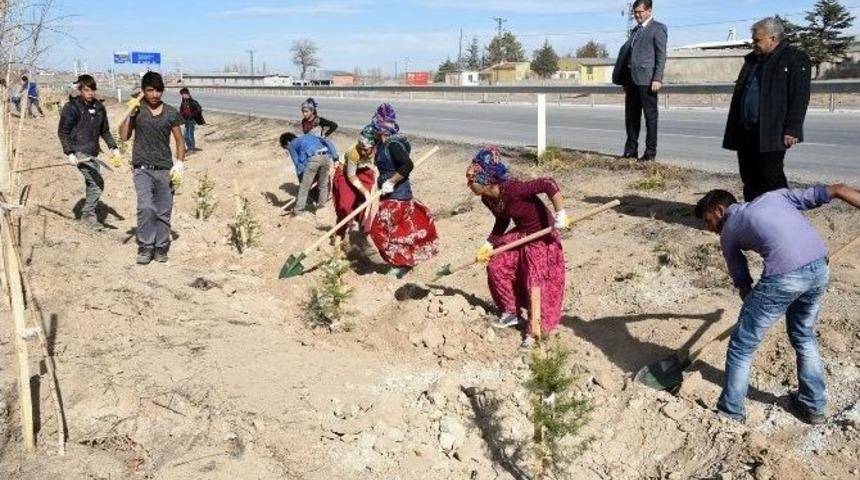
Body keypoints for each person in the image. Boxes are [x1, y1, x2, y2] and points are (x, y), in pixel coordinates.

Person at [694, 184, 860, 424]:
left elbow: (741, 279)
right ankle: (813, 406)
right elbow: (838, 189)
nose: (708, 228)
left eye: (707, 221)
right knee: (803, 335)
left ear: (719, 210)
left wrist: (753, 306)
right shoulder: (776, 196)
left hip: (784, 277)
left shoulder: (728, 230)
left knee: (742, 345)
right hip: (819, 268)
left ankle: (730, 413)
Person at [466, 146, 568, 349]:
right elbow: (502, 220)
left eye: (471, 180)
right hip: (522, 234)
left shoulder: (513, 189)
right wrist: (489, 243)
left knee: (534, 283)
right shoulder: (487, 198)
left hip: (541, 236)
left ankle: (535, 331)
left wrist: (561, 213)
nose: (468, 184)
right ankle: (510, 312)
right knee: (496, 266)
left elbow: (548, 183)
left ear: (486, 179)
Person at [723, 17, 811, 202]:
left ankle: (784, 212)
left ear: (773, 38)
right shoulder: (752, 60)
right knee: (749, 176)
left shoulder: (793, 57)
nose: (753, 43)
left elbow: (800, 95)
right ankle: (754, 213)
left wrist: (792, 128)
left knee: (771, 176)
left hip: (772, 130)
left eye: (757, 40)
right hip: (747, 129)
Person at [119, 72, 186, 265]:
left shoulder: (171, 112)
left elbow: (179, 140)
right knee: (146, 207)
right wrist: (130, 114)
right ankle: (146, 246)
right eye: (150, 90)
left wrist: (180, 163)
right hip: (142, 169)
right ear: (143, 91)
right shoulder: (137, 110)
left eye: (158, 90)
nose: (155, 94)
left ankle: (161, 247)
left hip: (165, 169)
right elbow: (123, 136)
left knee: (163, 210)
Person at [368, 103, 438, 278]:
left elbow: (407, 165)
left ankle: (399, 264)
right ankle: (401, 262)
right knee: (394, 232)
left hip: (397, 197)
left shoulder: (393, 145)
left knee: (379, 230)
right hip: (390, 196)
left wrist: (391, 182)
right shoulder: (383, 144)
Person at [57, 74, 122, 230]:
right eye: (86, 90)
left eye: (92, 90)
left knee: (91, 183)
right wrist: (69, 152)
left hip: (93, 153)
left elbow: (104, 130)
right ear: (80, 90)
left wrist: (113, 147)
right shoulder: (72, 107)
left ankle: (88, 212)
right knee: (97, 183)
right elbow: (63, 132)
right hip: (79, 152)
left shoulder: (99, 107)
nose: (90, 93)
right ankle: (87, 215)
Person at [612, 0, 667, 162]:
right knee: (631, 117)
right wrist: (624, 80)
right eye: (635, 12)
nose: (637, 15)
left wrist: (657, 78)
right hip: (631, 81)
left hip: (647, 81)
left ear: (649, 11)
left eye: (640, 12)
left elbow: (661, 55)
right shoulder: (635, 30)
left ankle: (650, 153)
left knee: (650, 118)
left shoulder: (658, 28)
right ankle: (630, 151)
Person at [331, 125, 378, 245]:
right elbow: (351, 176)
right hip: (346, 173)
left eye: (366, 149)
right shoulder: (353, 152)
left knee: (366, 204)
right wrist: (365, 192)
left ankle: (363, 234)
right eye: (361, 148)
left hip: (363, 171)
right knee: (345, 205)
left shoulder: (379, 150)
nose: (362, 152)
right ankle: (339, 234)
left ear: (373, 146)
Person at [281, 131, 338, 219]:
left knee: (304, 188)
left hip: (314, 159)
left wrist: (301, 181)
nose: (288, 149)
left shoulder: (292, 144)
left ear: (288, 142)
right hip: (326, 157)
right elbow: (328, 142)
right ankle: (321, 208)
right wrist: (335, 158)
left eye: (286, 148)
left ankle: (298, 211)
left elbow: (297, 164)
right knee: (323, 186)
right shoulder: (310, 136)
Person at [179, 87, 205, 152]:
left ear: (188, 94)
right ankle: (190, 148)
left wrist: (192, 115)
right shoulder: (183, 102)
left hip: (192, 120)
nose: (183, 96)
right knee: (185, 136)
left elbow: (199, 110)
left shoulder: (193, 102)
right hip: (186, 121)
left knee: (190, 135)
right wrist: (182, 114)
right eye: (182, 94)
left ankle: (192, 149)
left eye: (184, 94)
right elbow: (181, 111)